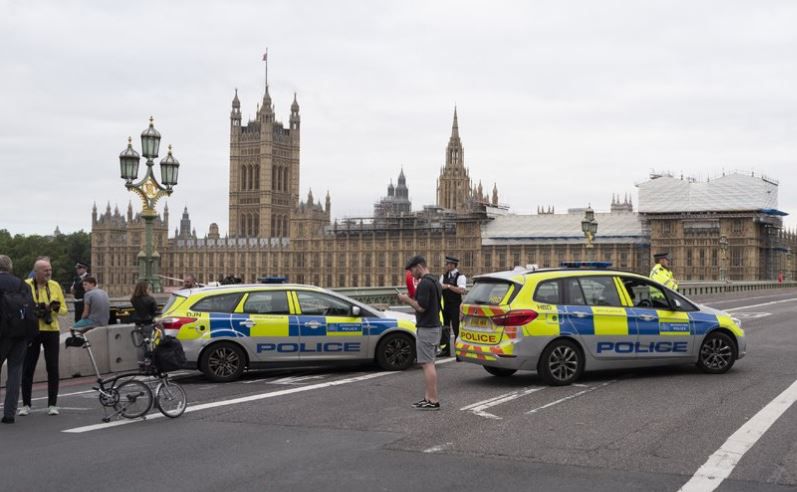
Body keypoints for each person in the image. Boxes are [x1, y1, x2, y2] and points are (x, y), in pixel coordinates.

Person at [20, 258, 67, 416]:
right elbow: (20, 306)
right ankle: (26, 404)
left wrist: (54, 308)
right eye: (45, 270)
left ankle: (52, 404)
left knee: (52, 367)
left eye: (50, 270)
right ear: (36, 271)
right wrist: (34, 309)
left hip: (51, 330)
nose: (49, 272)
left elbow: (64, 311)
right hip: (32, 330)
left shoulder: (55, 285)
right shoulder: (26, 285)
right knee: (28, 367)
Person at [397, 255, 442, 411]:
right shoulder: (435, 281)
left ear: (419, 267)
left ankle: (433, 400)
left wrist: (406, 299)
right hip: (434, 327)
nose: (411, 274)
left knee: (427, 364)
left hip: (427, 328)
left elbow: (421, 307)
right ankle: (428, 398)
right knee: (429, 363)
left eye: (412, 270)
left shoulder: (424, 284)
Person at [0, 255, 35, 424]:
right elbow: (31, 310)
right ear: (10, 267)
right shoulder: (22, 284)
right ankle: (9, 414)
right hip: (20, 334)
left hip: (2, 334)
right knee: (15, 372)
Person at [439, 255, 466, 357]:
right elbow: (439, 287)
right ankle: (446, 350)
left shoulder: (460, 276)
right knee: (445, 329)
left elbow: (461, 290)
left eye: (449, 264)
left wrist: (448, 286)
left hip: (455, 306)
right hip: (446, 306)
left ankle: (458, 352)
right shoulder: (444, 276)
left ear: (454, 265)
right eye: (447, 264)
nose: (447, 266)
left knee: (456, 329)